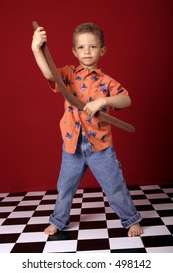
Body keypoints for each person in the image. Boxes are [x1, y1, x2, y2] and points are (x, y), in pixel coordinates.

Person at [31, 22, 143, 237]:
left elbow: (126, 99)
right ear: (74, 51)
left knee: (115, 187)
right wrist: (36, 48)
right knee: (65, 187)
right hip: (72, 145)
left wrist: (103, 101)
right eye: (81, 47)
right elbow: (49, 73)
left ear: (102, 50)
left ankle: (130, 220)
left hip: (100, 147)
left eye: (92, 46)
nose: (87, 51)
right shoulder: (69, 74)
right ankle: (59, 220)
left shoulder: (106, 81)